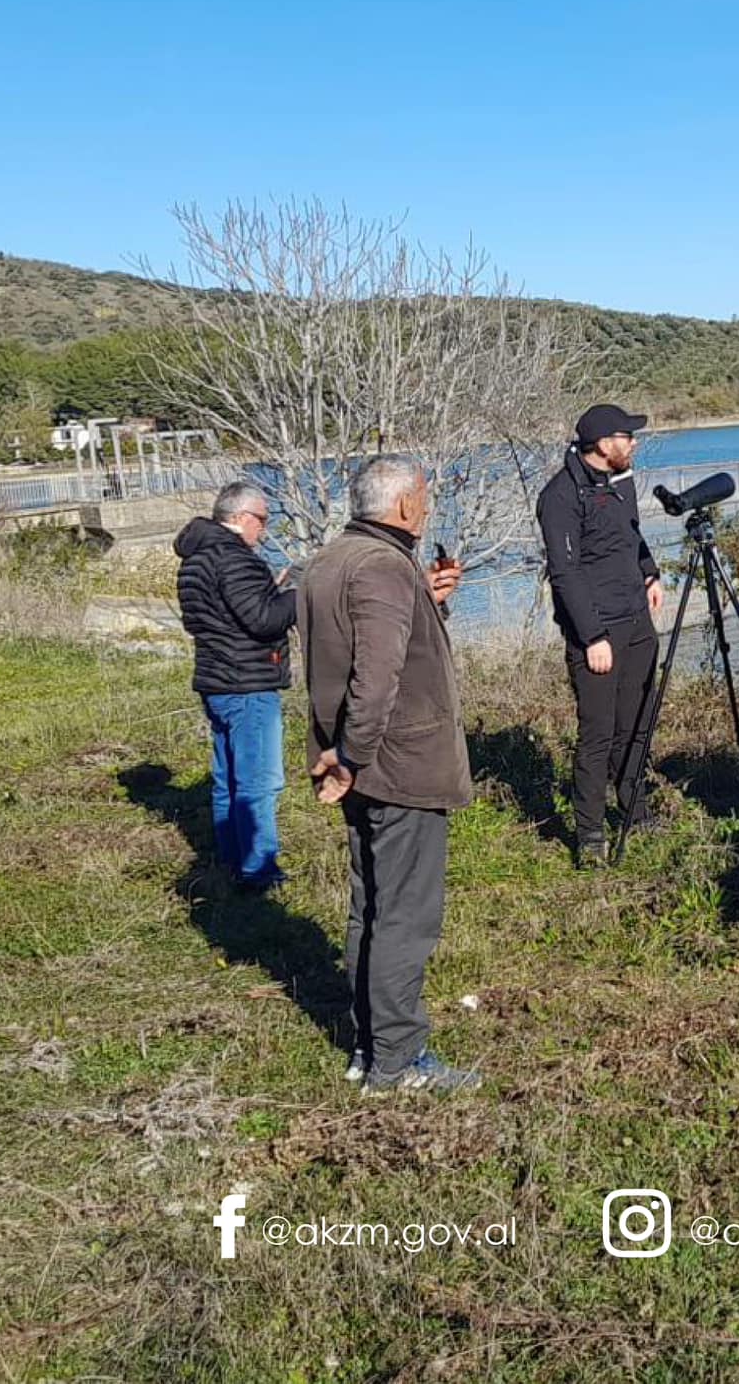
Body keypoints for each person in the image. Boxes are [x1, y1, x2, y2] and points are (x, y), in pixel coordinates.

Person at [300, 453, 478, 1094]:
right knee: (405, 915)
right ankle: (398, 1062)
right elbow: (374, 679)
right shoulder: (381, 566)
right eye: (424, 499)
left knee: (369, 907)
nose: (428, 510)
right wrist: (352, 755)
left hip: (357, 761)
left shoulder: (332, 558)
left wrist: (424, 601)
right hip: (394, 765)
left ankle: (369, 1044)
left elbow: (361, 643)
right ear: (405, 506)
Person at [535, 403, 665, 866]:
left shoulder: (621, 480)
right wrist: (592, 637)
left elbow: (632, 535)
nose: (634, 443)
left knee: (637, 723)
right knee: (598, 734)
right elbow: (564, 574)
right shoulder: (560, 496)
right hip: (597, 635)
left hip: (636, 623)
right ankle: (590, 833)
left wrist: (649, 573)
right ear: (603, 443)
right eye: (627, 436)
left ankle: (636, 809)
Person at [174, 481, 298, 892]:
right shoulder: (236, 559)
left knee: (227, 777)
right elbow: (262, 621)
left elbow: (217, 619)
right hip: (247, 683)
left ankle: (231, 857)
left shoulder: (195, 559)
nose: (263, 529)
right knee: (259, 780)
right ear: (241, 518)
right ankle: (259, 870)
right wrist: (297, 595)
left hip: (215, 679)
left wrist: (271, 592)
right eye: (262, 520)